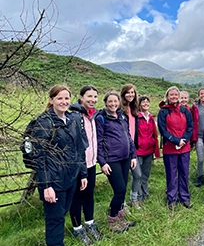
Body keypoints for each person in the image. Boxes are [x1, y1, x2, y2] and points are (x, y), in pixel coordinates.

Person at [32, 85, 88, 246]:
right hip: (53, 180)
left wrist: (83, 173)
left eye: (66, 98)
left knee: (61, 215)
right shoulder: (44, 122)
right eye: (59, 98)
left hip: (70, 177)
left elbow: (79, 148)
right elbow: (39, 156)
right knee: (55, 219)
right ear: (51, 100)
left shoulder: (72, 120)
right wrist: (46, 185)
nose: (64, 102)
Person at [96, 91, 137, 232]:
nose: (113, 104)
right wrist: (102, 162)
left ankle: (120, 216)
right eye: (110, 101)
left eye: (115, 101)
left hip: (125, 158)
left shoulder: (122, 116)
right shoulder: (101, 118)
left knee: (123, 188)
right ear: (106, 103)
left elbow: (129, 137)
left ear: (119, 102)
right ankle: (112, 219)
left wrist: (133, 155)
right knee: (119, 190)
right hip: (111, 160)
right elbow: (98, 141)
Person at [69, 85, 101, 244]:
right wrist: (81, 170)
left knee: (89, 194)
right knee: (77, 197)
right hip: (79, 165)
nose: (93, 100)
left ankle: (89, 223)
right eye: (89, 96)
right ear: (81, 97)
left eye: (95, 97)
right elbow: (76, 146)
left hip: (91, 163)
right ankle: (77, 229)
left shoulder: (92, 116)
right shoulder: (75, 117)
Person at [157, 86, 193, 210]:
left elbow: (190, 126)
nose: (174, 97)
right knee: (171, 173)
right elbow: (163, 130)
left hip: (184, 147)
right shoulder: (163, 111)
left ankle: (185, 197)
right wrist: (176, 140)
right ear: (167, 96)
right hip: (170, 148)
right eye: (171, 95)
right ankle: (172, 198)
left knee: (184, 172)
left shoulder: (184, 110)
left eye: (175, 95)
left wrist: (184, 140)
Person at [120, 84, 142, 209]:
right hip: (123, 149)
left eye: (132, 92)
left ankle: (134, 199)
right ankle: (122, 204)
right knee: (123, 179)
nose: (130, 95)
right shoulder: (120, 109)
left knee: (137, 175)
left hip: (133, 148)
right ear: (123, 94)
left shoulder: (134, 109)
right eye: (128, 92)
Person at [136, 96, 160, 200]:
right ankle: (138, 194)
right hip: (138, 150)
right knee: (138, 174)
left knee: (146, 173)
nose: (145, 104)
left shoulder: (151, 118)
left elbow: (154, 134)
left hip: (149, 150)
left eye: (147, 102)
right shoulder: (136, 117)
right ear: (139, 104)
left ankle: (145, 193)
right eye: (143, 102)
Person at [190, 88, 204, 187]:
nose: (203, 95)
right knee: (200, 159)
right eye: (201, 93)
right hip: (198, 136)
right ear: (198, 95)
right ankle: (199, 177)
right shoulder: (194, 107)